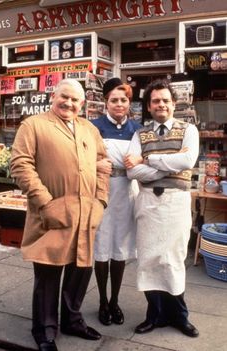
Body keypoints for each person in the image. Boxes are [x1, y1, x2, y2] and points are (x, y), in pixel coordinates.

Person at [10, 78, 109, 351]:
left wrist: (101, 200)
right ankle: (44, 330)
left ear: (83, 103)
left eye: (75, 100)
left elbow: (103, 165)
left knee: (80, 271)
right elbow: (20, 164)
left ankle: (72, 320)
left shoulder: (89, 129)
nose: (69, 103)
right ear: (54, 96)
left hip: (87, 214)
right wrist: (45, 202)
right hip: (51, 214)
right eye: (64, 97)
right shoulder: (34, 125)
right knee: (48, 273)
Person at [124, 79, 199, 338]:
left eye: (166, 100)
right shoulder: (139, 134)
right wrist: (170, 164)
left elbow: (188, 160)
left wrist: (149, 159)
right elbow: (132, 171)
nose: (161, 104)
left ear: (173, 104)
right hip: (148, 203)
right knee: (149, 259)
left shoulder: (188, 130)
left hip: (175, 202)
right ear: (149, 105)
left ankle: (179, 316)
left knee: (174, 259)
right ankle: (154, 315)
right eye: (156, 100)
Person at [91, 78, 141, 326]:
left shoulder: (138, 129)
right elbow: (81, 157)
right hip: (101, 190)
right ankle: (101, 300)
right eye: (114, 100)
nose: (119, 104)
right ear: (105, 102)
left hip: (126, 191)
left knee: (120, 247)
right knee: (101, 245)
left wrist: (139, 162)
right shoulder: (93, 127)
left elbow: (145, 158)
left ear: (129, 102)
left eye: (123, 100)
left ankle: (115, 300)